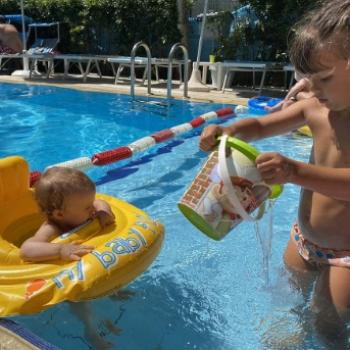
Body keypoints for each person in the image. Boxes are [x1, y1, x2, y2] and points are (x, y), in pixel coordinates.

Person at [200, 0, 350, 345]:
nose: (312, 88)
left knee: (327, 324)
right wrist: (231, 131)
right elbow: (261, 125)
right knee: (289, 303)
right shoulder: (314, 107)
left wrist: (294, 171)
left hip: (345, 255)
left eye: (323, 78)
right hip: (303, 240)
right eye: (307, 79)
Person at [20, 166, 115, 261]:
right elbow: (26, 250)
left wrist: (104, 211)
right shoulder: (51, 229)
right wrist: (61, 250)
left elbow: (99, 202)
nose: (93, 208)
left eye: (91, 203)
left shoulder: (82, 207)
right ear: (60, 214)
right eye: (88, 207)